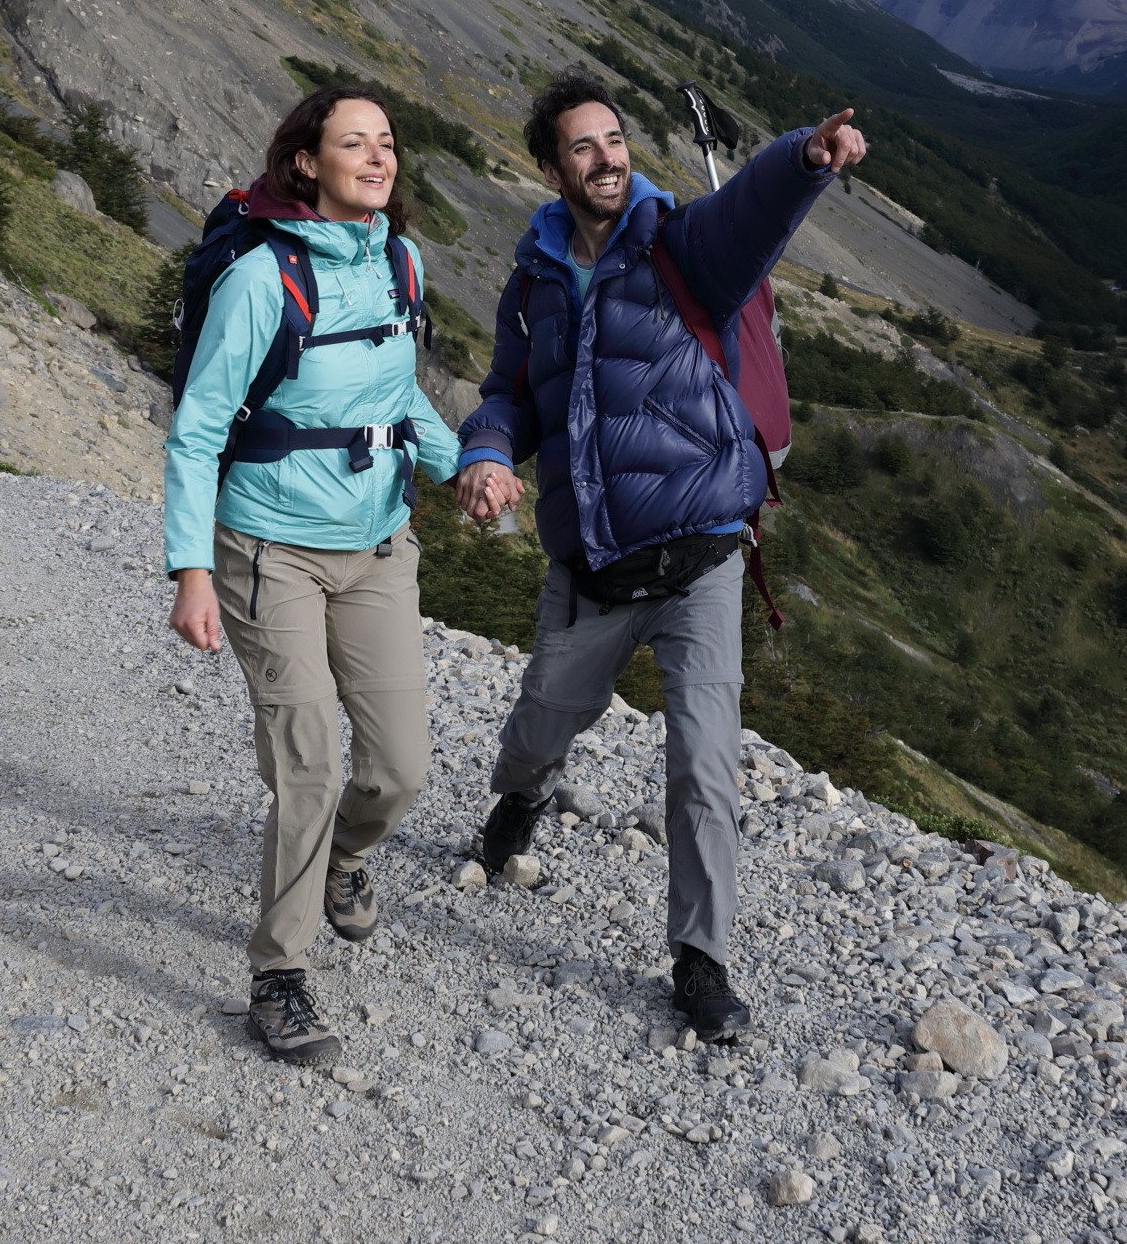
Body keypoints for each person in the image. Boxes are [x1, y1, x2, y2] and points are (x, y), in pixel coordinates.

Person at [451, 72, 866, 1041]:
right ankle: (519, 800)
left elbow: (749, 215)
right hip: (593, 562)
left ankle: (701, 958)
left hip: (701, 554)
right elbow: (510, 393)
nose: (608, 157)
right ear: (551, 166)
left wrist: (805, 155)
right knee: (540, 719)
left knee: (705, 760)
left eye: (616, 139)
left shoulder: (679, 243)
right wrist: (482, 450)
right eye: (584, 146)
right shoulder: (537, 279)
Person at [164, 85, 462, 1069]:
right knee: (307, 763)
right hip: (269, 551)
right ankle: (278, 974)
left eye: (387, 142)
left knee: (400, 768)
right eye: (354, 143)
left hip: (378, 546)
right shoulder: (261, 276)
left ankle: (346, 854)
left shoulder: (400, 261)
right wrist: (191, 568)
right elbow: (200, 425)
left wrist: (469, 464)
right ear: (306, 161)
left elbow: (397, 393)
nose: (378, 158)